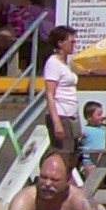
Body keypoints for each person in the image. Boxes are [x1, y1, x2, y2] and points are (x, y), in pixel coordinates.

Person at [40, 25, 80, 165]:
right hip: (61, 114)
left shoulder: (65, 64)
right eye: (71, 41)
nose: (74, 44)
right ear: (60, 43)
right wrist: (56, 123)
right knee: (62, 154)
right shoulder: (53, 63)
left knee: (73, 154)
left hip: (71, 115)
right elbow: (50, 94)